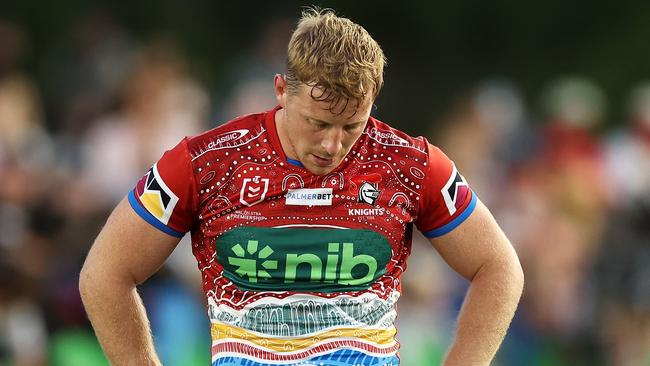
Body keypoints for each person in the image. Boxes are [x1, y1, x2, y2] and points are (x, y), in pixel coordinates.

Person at [79, 8, 524, 366]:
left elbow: (499, 267)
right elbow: (105, 274)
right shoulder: (204, 162)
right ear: (280, 90)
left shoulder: (409, 163)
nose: (333, 145)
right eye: (318, 122)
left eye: (352, 124)